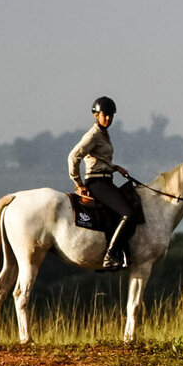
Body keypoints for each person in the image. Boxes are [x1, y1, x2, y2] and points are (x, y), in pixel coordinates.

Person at [68, 96, 138, 271]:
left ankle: (121, 254)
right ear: (96, 115)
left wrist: (115, 167)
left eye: (111, 116)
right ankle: (110, 255)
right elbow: (73, 156)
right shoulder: (93, 135)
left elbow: (99, 159)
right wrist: (78, 182)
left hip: (107, 178)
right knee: (128, 214)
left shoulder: (103, 134)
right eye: (104, 115)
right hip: (97, 183)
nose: (108, 118)